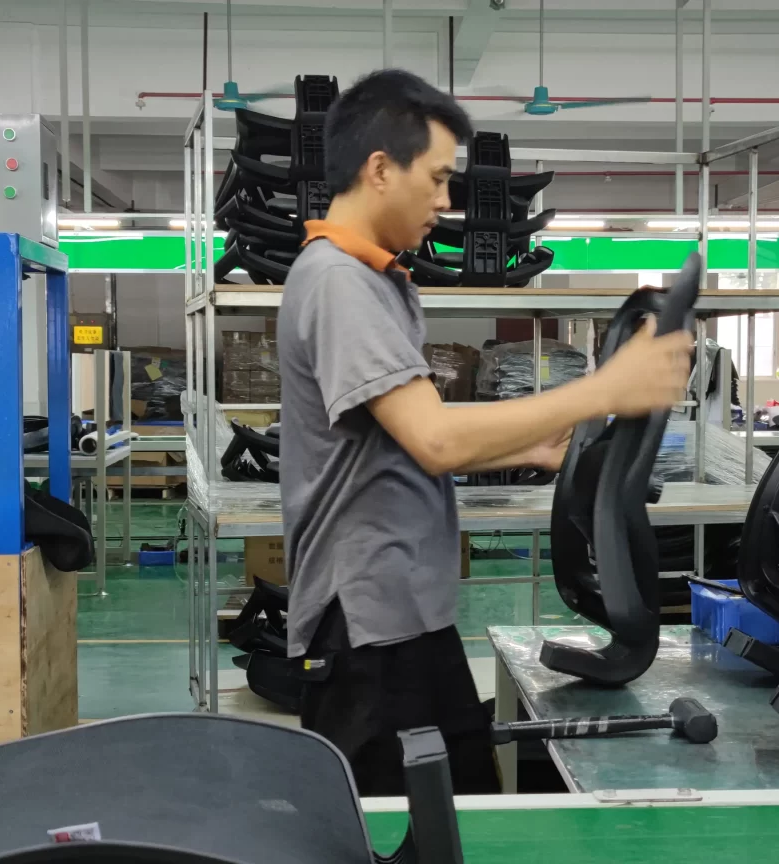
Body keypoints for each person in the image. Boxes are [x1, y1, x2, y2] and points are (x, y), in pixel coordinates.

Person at [279, 68, 693, 795]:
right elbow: (434, 439)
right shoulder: (339, 282)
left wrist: (524, 443)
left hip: (404, 608)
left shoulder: (372, 279)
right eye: (438, 178)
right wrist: (605, 388)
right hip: (368, 623)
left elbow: (394, 438)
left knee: (464, 802)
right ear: (380, 169)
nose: (446, 202)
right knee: (393, 825)